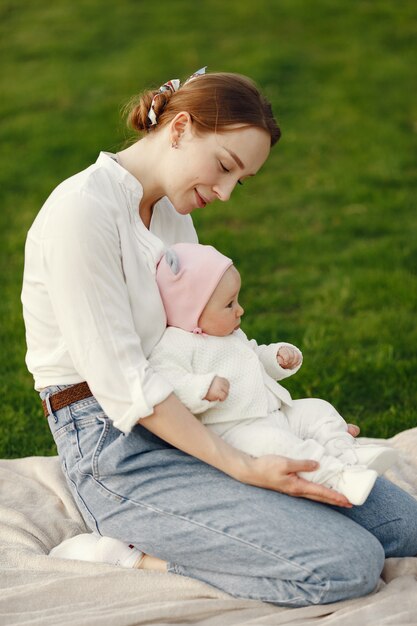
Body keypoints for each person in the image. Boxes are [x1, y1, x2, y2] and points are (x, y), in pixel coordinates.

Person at [21, 68, 417, 607]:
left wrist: (280, 427)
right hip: (115, 447)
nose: (227, 193)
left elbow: (196, 340)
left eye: (240, 180)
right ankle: (130, 557)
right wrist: (246, 467)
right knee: (346, 564)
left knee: (402, 523)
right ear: (179, 128)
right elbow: (125, 384)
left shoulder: (169, 214)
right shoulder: (81, 212)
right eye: (225, 167)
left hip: (198, 414)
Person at [148, 242, 397, 506]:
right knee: (282, 446)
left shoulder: (230, 335)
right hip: (237, 431)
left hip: (276, 413)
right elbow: (165, 379)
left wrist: (276, 357)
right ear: (193, 310)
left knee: (318, 410)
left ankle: (346, 454)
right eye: (230, 304)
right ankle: (336, 476)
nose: (240, 309)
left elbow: (253, 358)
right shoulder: (174, 344)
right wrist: (201, 388)